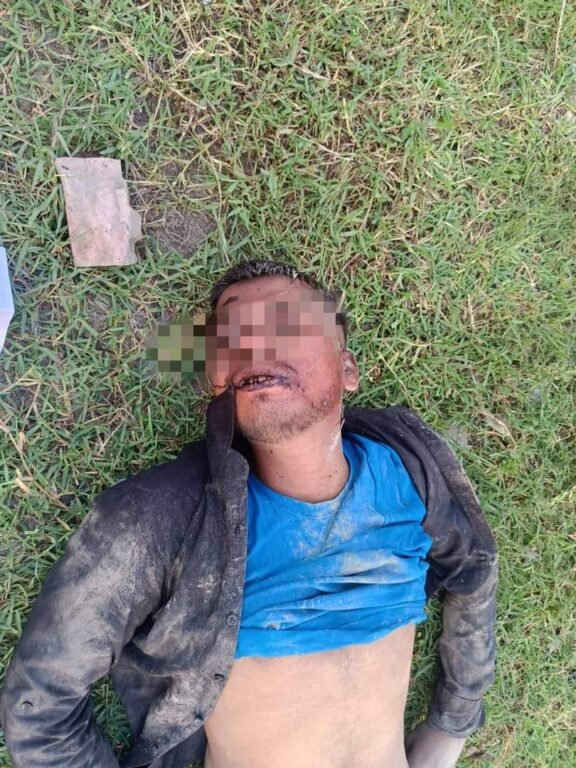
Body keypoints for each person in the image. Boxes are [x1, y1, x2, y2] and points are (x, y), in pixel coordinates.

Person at [0, 260, 498, 768]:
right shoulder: (156, 519)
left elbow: (475, 569)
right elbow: (40, 705)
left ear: (347, 368)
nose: (257, 343)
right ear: (218, 378)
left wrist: (450, 728)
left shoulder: (409, 466)